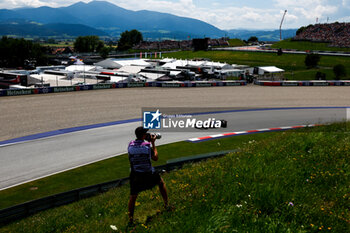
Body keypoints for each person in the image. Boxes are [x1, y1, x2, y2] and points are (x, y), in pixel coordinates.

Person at [127, 126, 168, 225]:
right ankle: (167, 205)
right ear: (144, 135)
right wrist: (153, 143)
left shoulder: (130, 145)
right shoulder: (146, 145)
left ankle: (130, 220)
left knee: (133, 197)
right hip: (148, 172)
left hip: (135, 174)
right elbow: (155, 158)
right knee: (161, 183)